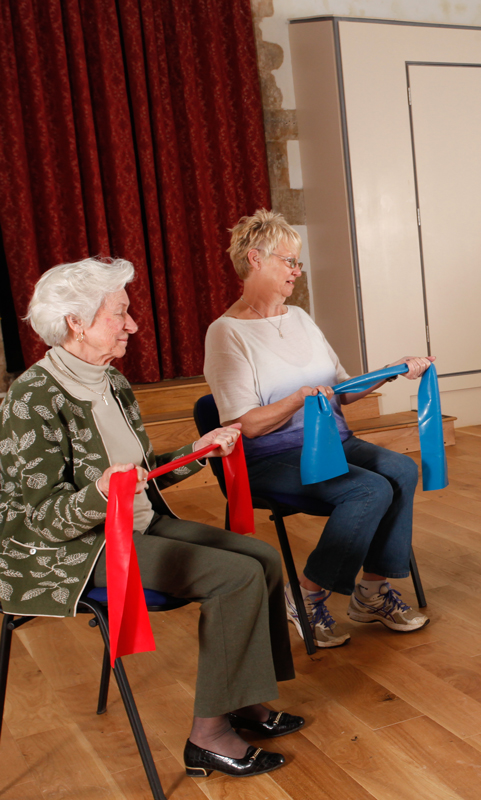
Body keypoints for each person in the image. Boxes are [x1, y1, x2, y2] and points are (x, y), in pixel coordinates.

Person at [0, 258, 299, 778]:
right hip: (76, 548)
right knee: (236, 577)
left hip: (136, 524)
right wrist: (99, 491)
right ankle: (208, 736)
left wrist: (197, 450)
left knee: (262, 557)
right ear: (77, 322)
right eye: (121, 313)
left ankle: (244, 698)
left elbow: (139, 473)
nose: (133, 325)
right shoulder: (32, 397)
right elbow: (44, 517)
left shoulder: (111, 382)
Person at [204, 210, 433, 648]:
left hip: (332, 442)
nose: (296, 270)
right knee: (369, 489)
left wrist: (387, 372)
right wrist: (295, 399)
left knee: (400, 470)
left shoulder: (301, 318)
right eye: (288, 261)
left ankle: (371, 593)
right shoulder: (226, 333)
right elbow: (244, 425)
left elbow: (341, 391)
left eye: (297, 262)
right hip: (270, 456)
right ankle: (306, 596)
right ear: (255, 259)